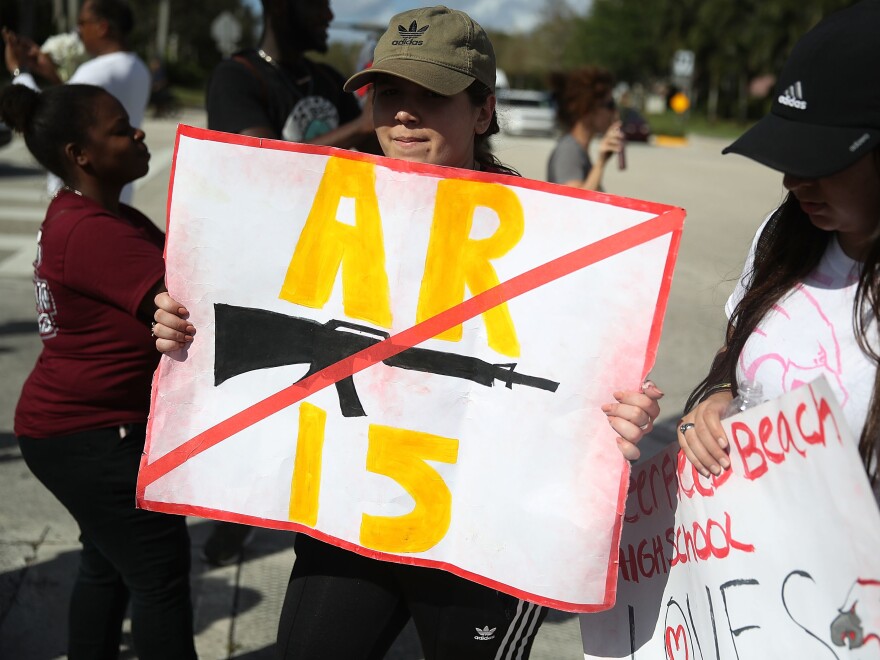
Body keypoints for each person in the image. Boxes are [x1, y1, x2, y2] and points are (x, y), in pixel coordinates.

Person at [153, 7, 661, 658]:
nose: (403, 115)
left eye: (433, 96)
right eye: (390, 93)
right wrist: (179, 330)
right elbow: (231, 310)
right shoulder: (323, 205)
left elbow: (585, 385)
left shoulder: (550, 236)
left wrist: (622, 411)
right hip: (348, 511)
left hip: (484, 531)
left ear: (483, 111)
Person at [616, 0, 880, 501]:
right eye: (788, 154)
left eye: (821, 160)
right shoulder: (784, 235)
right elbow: (734, 354)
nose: (793, 181)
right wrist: (717, 396)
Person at [0, 82, 197, 659]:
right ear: (78, 155)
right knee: (158, 575)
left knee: (108, 563)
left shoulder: (95, 214)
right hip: (90, 436)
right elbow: (193, 304)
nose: (137, 131)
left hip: (75, 430)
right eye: (118, 128)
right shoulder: (92, 230)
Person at [201, 0, 380, 566]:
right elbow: (264, 162)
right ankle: (234, 516)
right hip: (266, 274)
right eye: (319, 5)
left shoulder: (327, 80)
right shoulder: (237, 78)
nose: (330, 14)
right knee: (260, 407)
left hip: (330, 266)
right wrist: (360, 126)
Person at [3, 0, 150, 204]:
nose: (78, 31)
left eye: (82, 23)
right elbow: (82, 109)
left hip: (83, 194)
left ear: (102, 27)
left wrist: (17, 71)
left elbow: (47, 118)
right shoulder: (139, 68)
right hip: (117, 192)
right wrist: (53, 76)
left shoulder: (96, 71)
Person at [546, 66, 624, 192]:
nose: (614, 112)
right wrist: (600, 162)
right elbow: (574, 203)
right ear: (588, 108)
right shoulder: (569, 150)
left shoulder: (579, 150)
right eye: (610, 105)